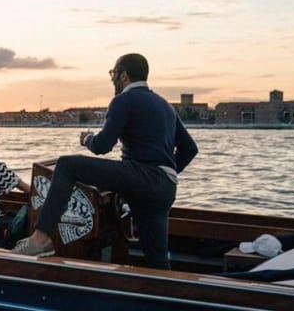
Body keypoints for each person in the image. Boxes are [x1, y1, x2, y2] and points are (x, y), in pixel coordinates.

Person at [12, 53, 198, 270]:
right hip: (165, 187)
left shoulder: (124, 100)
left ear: (124, 75)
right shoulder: (166, 106)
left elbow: (102, 146)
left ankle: (40, 239)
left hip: (141, 176)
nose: (112, 79)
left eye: (113, 73)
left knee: (67, 165)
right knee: (156, 260)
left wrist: (87, 140)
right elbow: (189, 149)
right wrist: (168, 174)